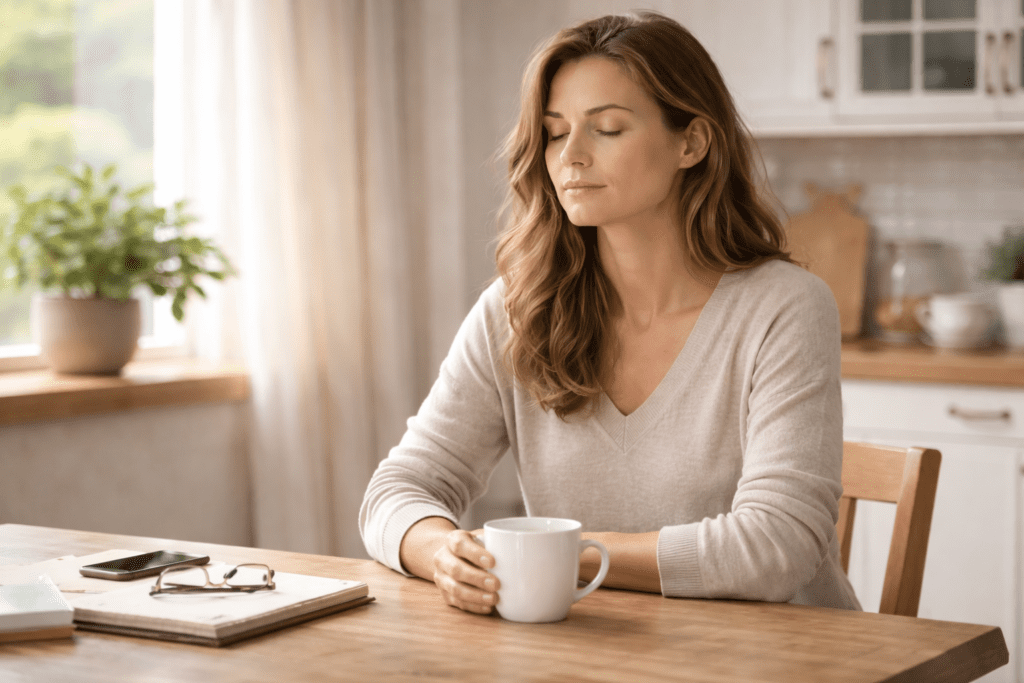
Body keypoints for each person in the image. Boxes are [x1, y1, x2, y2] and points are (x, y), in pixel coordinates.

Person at [359, 10, 862, 615]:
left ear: (691, 143)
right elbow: (397, 491)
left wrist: (561, 555)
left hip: (784, 654)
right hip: (598, 651)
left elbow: (777, 548)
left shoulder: (785, 308)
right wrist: (440, 551)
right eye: (554, 132)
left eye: (608, 129)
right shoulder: (518, 310)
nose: (570, 156)